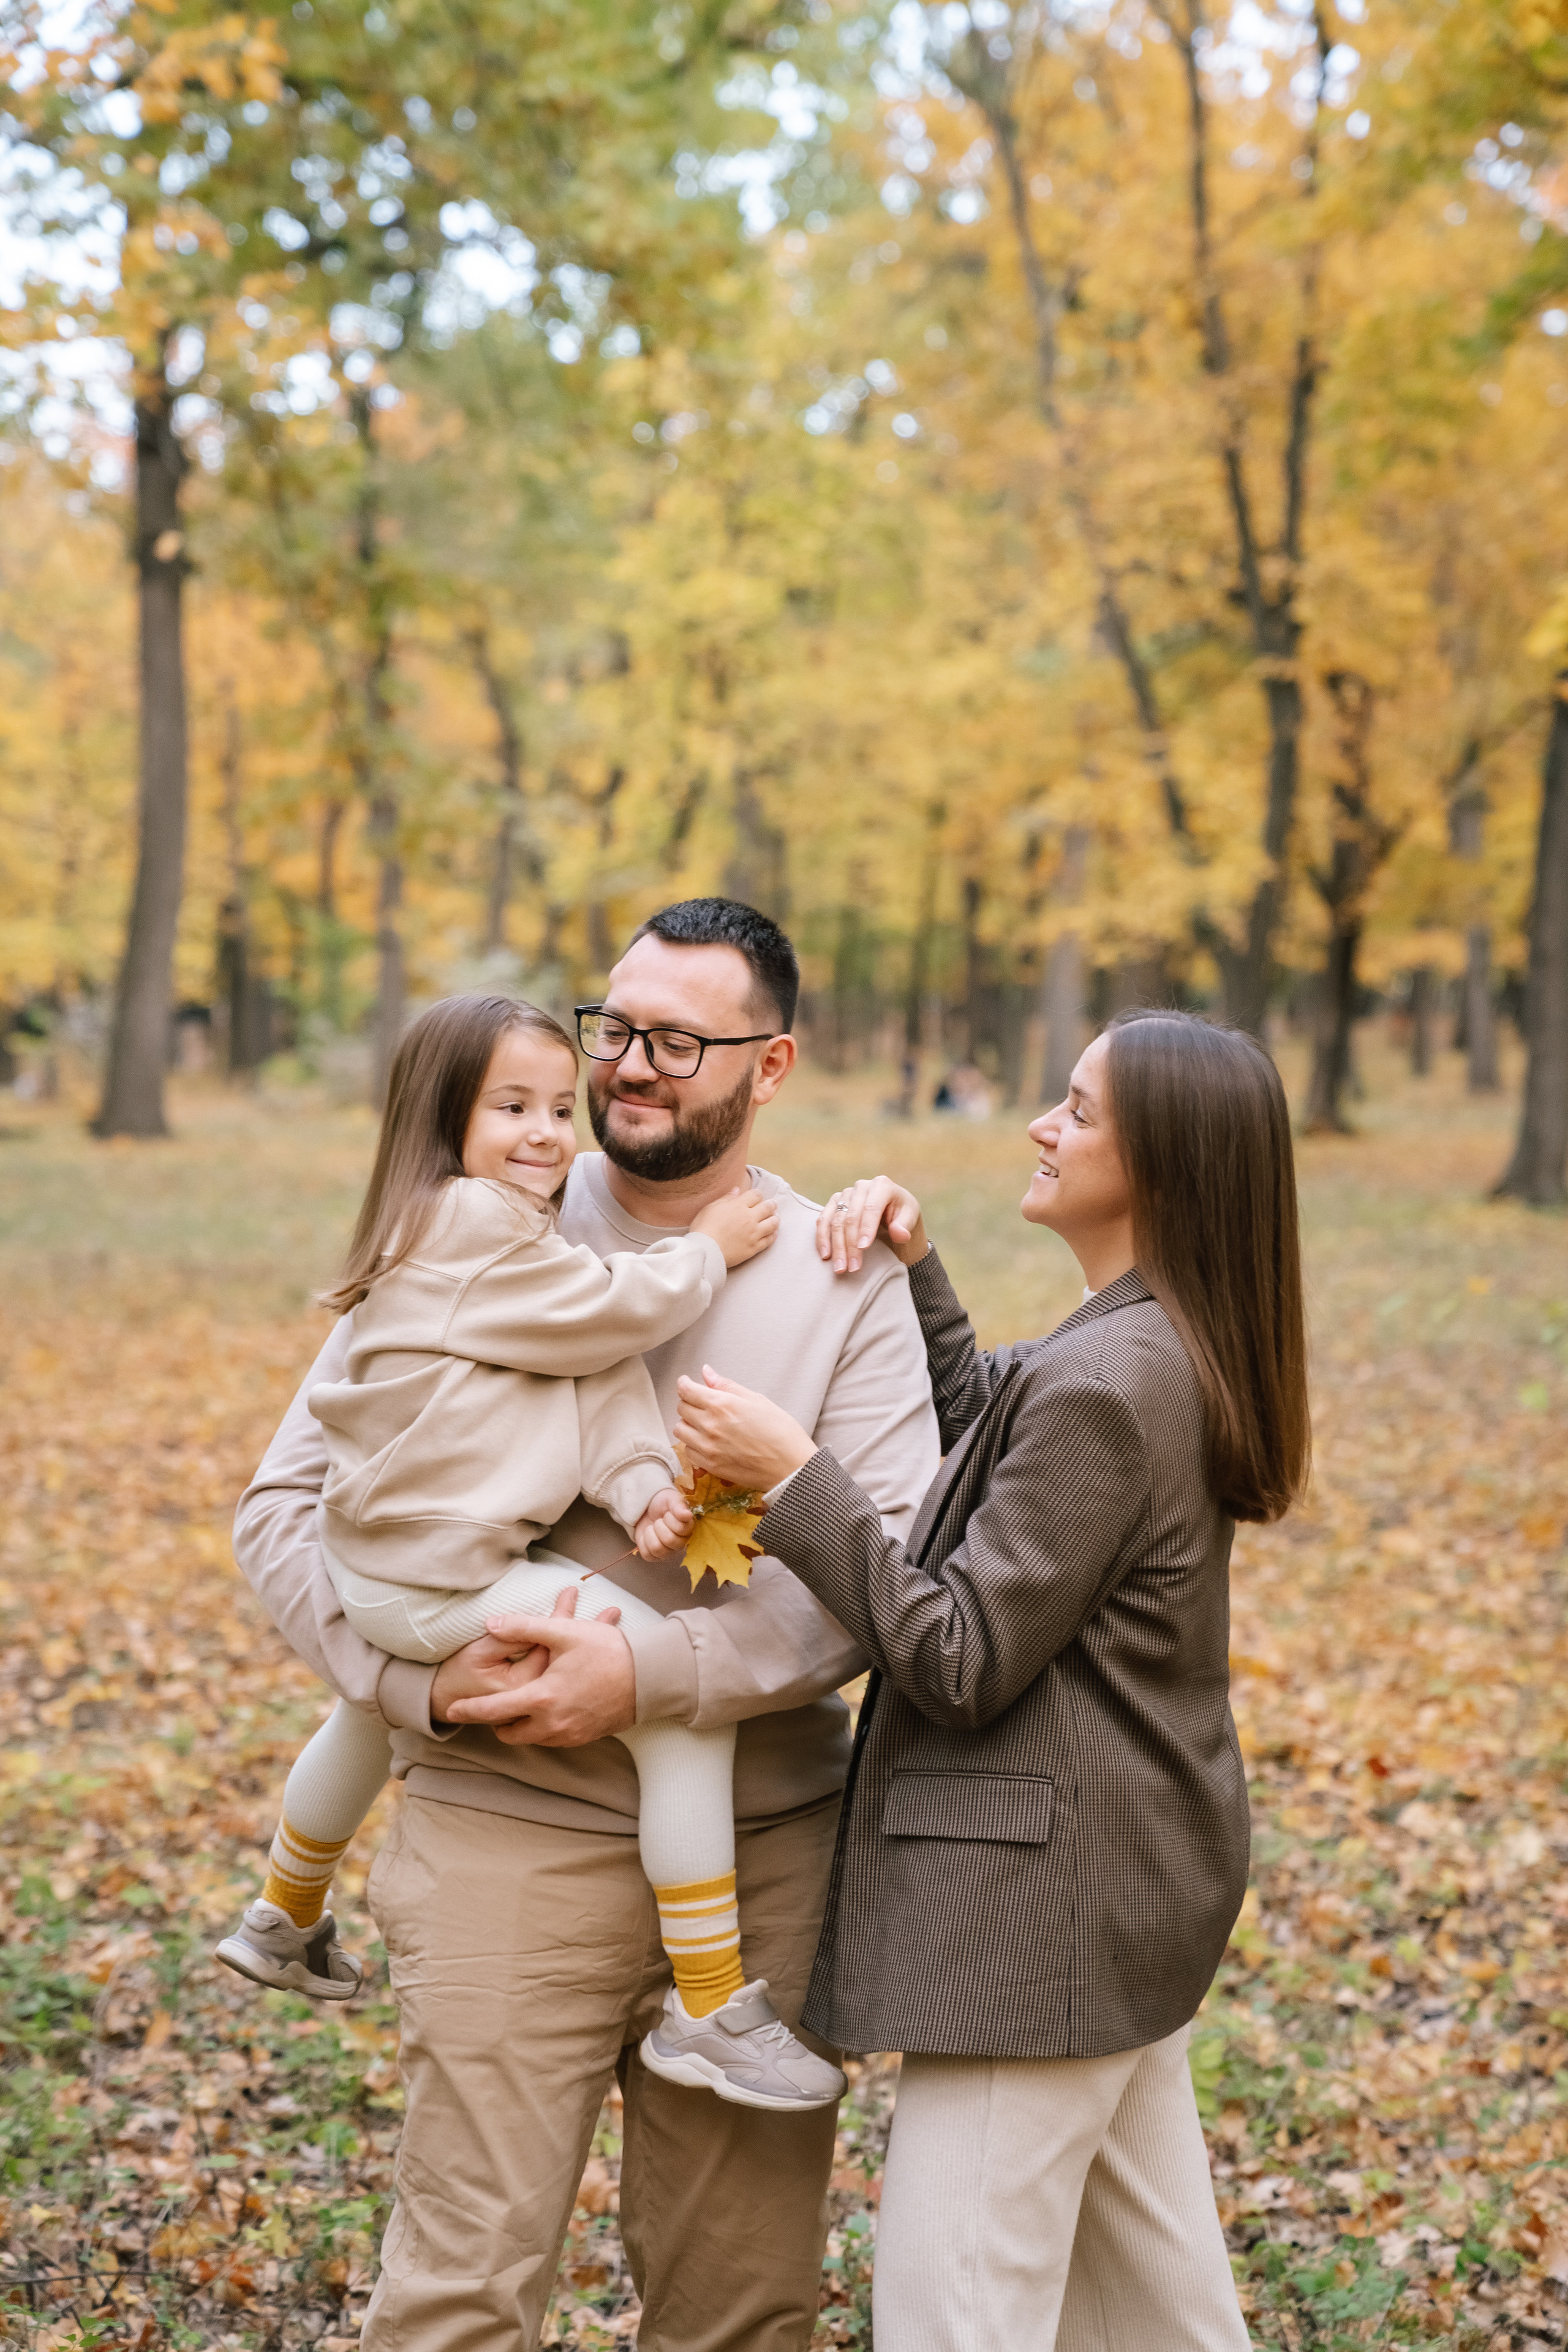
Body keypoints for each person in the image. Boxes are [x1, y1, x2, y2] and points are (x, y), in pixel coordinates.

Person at [231, 898, 941, 2352]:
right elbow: (285, 1506)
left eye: (678, 1040)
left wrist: (650, 1672)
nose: (629, 1065)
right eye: (614, 1028)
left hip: (757, 1856)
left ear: (772, 1062)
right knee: (456, 2299)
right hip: (505, 1829)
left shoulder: (841, 1274)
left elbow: (883, 1579)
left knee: (739, 2312)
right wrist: (406, 1687)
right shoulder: (475, 1220)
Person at [672, 1008, 1310, 2352]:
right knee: (1160, 2324)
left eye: (1077, 1113)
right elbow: (998, 1450)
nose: (1040, 1124)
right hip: (1113, 1902)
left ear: (1164, 1166)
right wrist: (918, 1268)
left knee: (952, 2320)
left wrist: (791, 1478)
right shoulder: (1140, 1338)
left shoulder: (1113, 1380)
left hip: (1035, 1931)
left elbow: (956, 1655)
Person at [215, 993, 842, 2108]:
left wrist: (646, 1488)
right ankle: (710, 2009)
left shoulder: (515, 1249)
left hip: (389, 1573)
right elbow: (612, 1320)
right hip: (436, 1578)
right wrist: (705, 1252)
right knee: (674, 1716)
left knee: (362, 1715)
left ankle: (284, 1915)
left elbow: (588, 1378)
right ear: (442, 1120)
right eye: (511, 1106)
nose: (549, 1132)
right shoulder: (467, 1223)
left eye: (561, 1106)